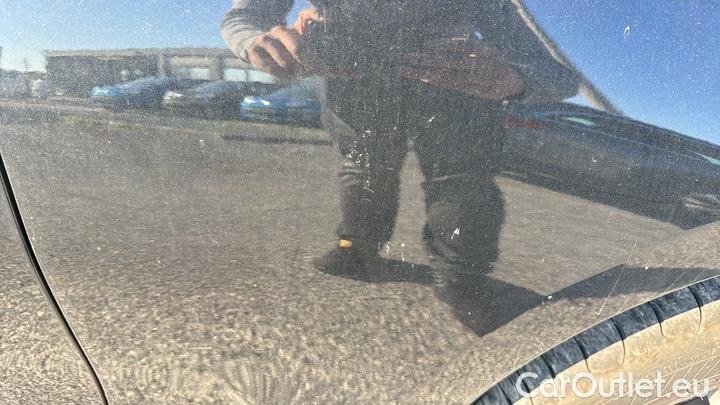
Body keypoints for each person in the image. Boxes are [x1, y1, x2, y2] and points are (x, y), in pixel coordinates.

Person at [221, 0, 580, 284]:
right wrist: (256, 41)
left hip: (451, 81)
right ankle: (357, 247)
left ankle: (462, 275)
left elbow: (559, 75)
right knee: (365, 166)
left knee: (457, 180)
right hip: (354, 78)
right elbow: (244, 17)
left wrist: (512, 79)